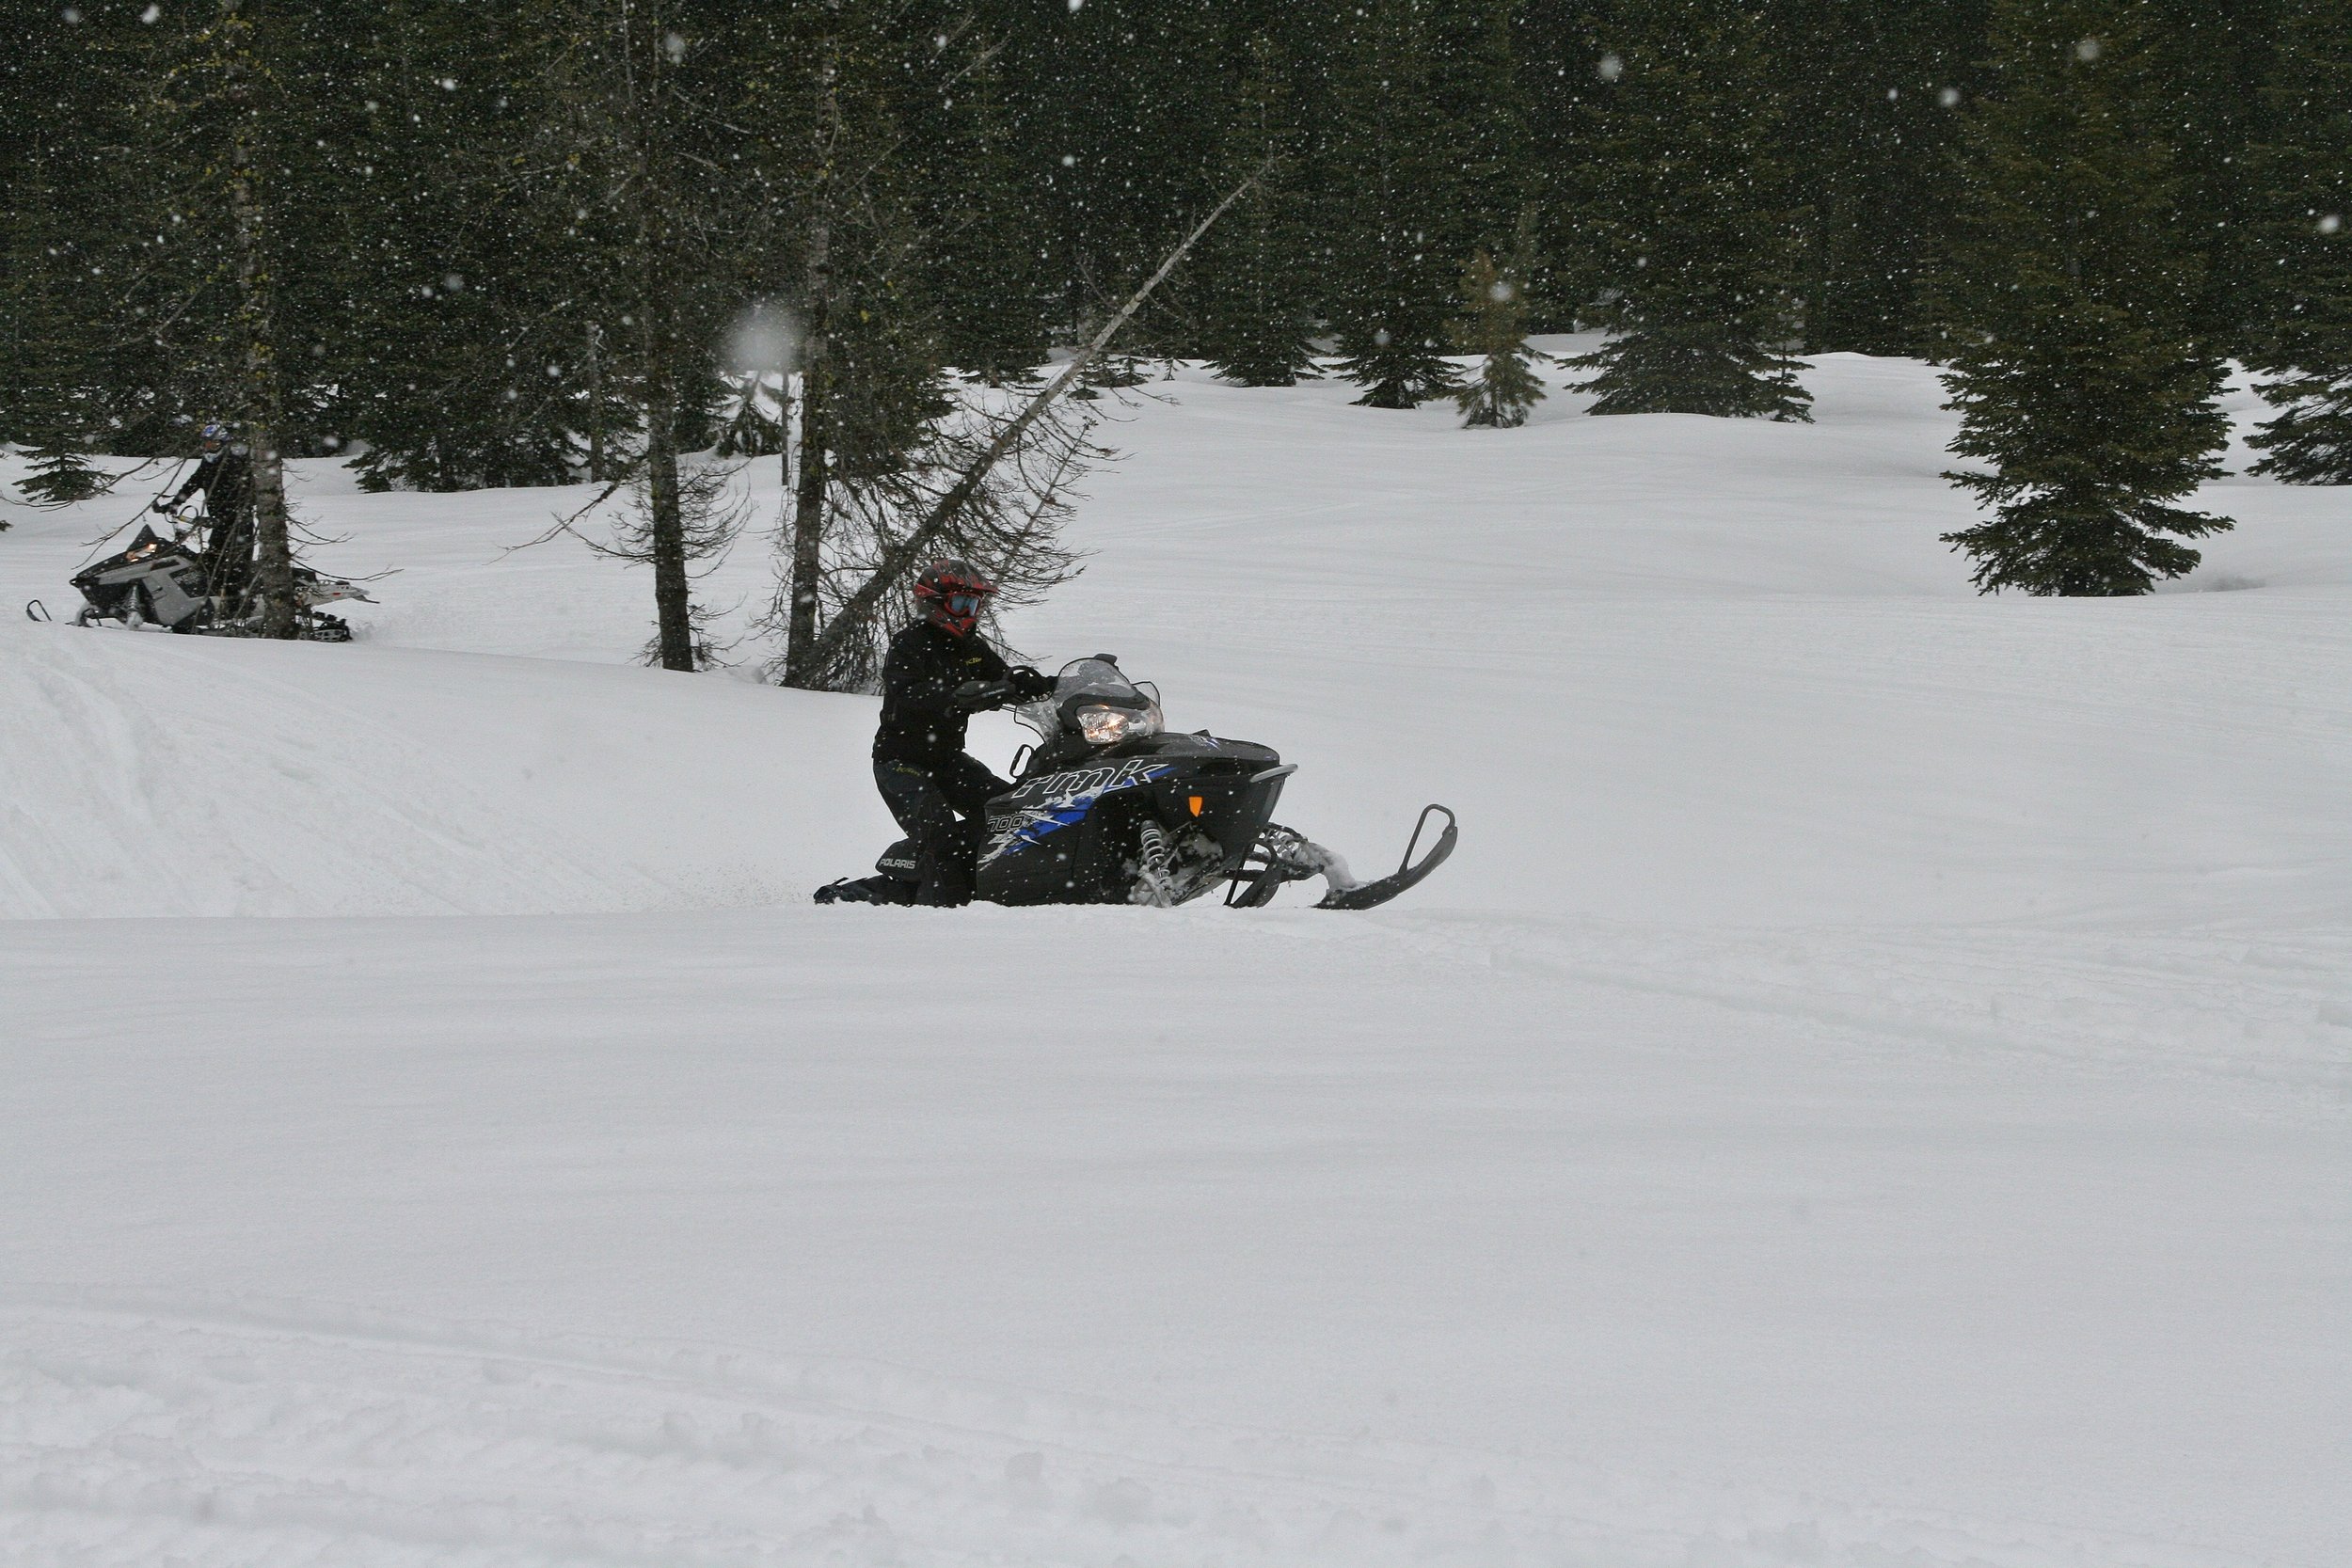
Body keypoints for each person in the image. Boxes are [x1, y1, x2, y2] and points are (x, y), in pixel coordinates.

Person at [871, 559, 1055, 906]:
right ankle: (937, 909)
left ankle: (986, 886)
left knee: (1009, 813)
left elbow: (1002, 678)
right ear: (934, 603)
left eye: (974, 604)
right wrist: (959, 695)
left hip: (947, 760)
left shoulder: (970, 646)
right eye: (961, 603)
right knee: (937, 832)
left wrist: (1040, 685)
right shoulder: (909, 643)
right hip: (901, 763)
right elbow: (908, 692)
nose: (970, 613)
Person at [153, 421, 256, 609]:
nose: (209, 446)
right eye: (206, 443)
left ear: (223, 444)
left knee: (234, 567)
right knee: (210, 562)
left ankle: (238, 608)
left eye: (213, 443)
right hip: (220, 523)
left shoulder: (234, 463)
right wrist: (174, 504)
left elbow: (244, 498)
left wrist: (222, 517)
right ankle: (212, 603)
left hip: (239, 524)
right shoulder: (209, 462)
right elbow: (194, 482)